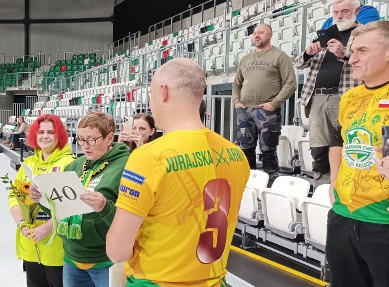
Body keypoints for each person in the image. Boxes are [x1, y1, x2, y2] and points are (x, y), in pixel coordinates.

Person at [106, 58, 250, 286]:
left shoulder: (148, 156)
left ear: (163, 91)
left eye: (151, 96)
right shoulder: (236, 155)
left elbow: (117, 251)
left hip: (158, 281)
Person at [32, 111, 130, 287]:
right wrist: (41, 199)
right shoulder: (76, 164)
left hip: (105, 260)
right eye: (81, 139)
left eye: (92, 140)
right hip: (72, 257)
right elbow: (61, 208)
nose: (85, 146)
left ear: (109, 138)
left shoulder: (125, 166)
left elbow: (130, 219)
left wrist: (104, 207)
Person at [326, 20, 389, 287]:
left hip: (382, 220)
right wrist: (334, 181)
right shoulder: (349, 97)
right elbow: (336, 140)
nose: (352, 59)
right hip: (343, 215)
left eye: (362, 51)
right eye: (352, 51)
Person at [296, 0, 369, 186]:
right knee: (318, 148)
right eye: (336, 11)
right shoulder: (324, 35)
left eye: (345, 11)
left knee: (346, 145)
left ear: (357, 11)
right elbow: (298, 63)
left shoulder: (364, 34)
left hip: (345, 96)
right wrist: (308, 53)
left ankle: (344, 188)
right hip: (317, 97)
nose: (340, 15)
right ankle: (322, 189)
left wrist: (343, 53)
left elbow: (368, 64)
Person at [8, 114, 73, 287]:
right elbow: (15, 197)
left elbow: (71, 206)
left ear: (59, 135)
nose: (45, 136)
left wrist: (48, 227)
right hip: (31, 244)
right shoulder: (29, 163)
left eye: (50, 132)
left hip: (57, 248)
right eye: (41, 132)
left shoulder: (68, 164)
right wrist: (21, 224)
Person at [232, 23, 297, 180]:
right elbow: (236, 84)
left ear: (270, 35)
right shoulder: (246, 59)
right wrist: (236, 102)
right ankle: (248, 181)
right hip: (244, 111)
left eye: (261, 32)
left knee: (268, 149)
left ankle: (270, 182)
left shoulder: (279, 56)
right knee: (245, 148)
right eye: (254, 33)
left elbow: (291, 83)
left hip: (267, 111)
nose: (256, 35)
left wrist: (273, 104)